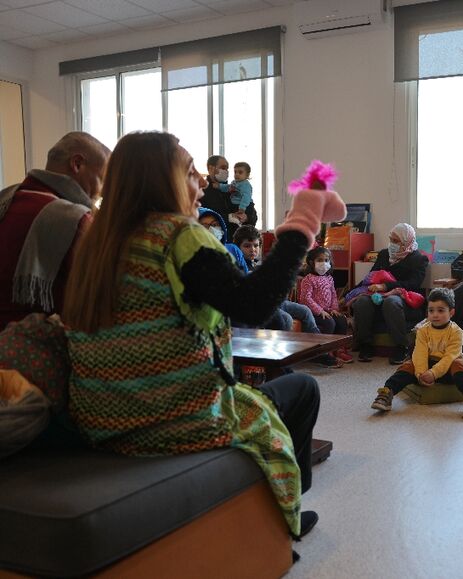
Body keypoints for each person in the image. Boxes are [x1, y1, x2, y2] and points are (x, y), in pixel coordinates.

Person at [62, 131, 346, 541]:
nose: (201, 181)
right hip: (171, 424)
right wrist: (302, 222)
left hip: (99, 420)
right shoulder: (179, 235)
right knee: (302, 389)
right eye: (190, 171)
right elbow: (253, 305)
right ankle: (287, 514)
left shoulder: (98, 242)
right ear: (163, 181)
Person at [0, 131, 110, 329]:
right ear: (77, 164)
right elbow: (94, 300)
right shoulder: (77, 219)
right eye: (102, 179)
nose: (101, 191)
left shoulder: (4, 198)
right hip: (38, 349)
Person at [370, 288, 463, 418]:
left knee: (458, 364)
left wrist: (433, 373)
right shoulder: (423, 330)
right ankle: (387, 393)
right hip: (426, 368)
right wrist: (421, 374)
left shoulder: (457, 332)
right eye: (431, 310)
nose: (435, 315)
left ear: (451, 312)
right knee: (408, 365)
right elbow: (419, 353)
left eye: (440, 310)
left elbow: (450, 357)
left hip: (447, 370)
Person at [351, 223, 428, 364]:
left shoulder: (418, 258)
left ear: (407, 241)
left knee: (391, 302)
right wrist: (349, 294)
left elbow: (413, 284)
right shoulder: (384, 254)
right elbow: (370, 277)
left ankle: (401, 347)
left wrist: (386, 285)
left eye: (396, 241)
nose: (392, 244)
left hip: (406, 299)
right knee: (361, 302)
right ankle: (366, 344)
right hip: (378, 296)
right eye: (390, 239)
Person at [297, 246, 353, 363]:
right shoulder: (308, 279)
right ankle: (324, 351)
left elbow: (333, 295)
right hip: (313, 312)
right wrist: (320, 311)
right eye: (320, 260)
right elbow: (305, 298)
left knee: (341, 320)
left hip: (327, 310)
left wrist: (333, 309)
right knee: (329, 323)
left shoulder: (329, 278)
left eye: (326, 260)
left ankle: (339, 349)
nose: (324, 263)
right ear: (312, 262)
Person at [201, 155, 257, 237]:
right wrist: (229, 217)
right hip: (215, 241)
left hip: (236, 241)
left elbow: (253, 214)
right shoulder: (202, 191)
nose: (226, 171)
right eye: (223, 168)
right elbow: (202, 216)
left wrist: (247, 217)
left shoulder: (232, 189)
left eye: (227, 168)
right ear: (211, 168)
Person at [197, 207, 248, 273]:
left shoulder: (233, 250)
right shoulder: (191, 257)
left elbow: (245, 279)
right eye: (204, 226)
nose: (211, 229)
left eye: (215, 224)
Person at [226, 161, 253, 226]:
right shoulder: (234, 182)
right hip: (236, 204)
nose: (237, 174)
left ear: (247, 175)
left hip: (244, 206)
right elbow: (227, 187)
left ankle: (239, 223)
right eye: (235, 172)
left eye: (240, 172)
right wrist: (219, 186)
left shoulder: (246, 185)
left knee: (240, 218)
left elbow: (246, 197)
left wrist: (242, 208)